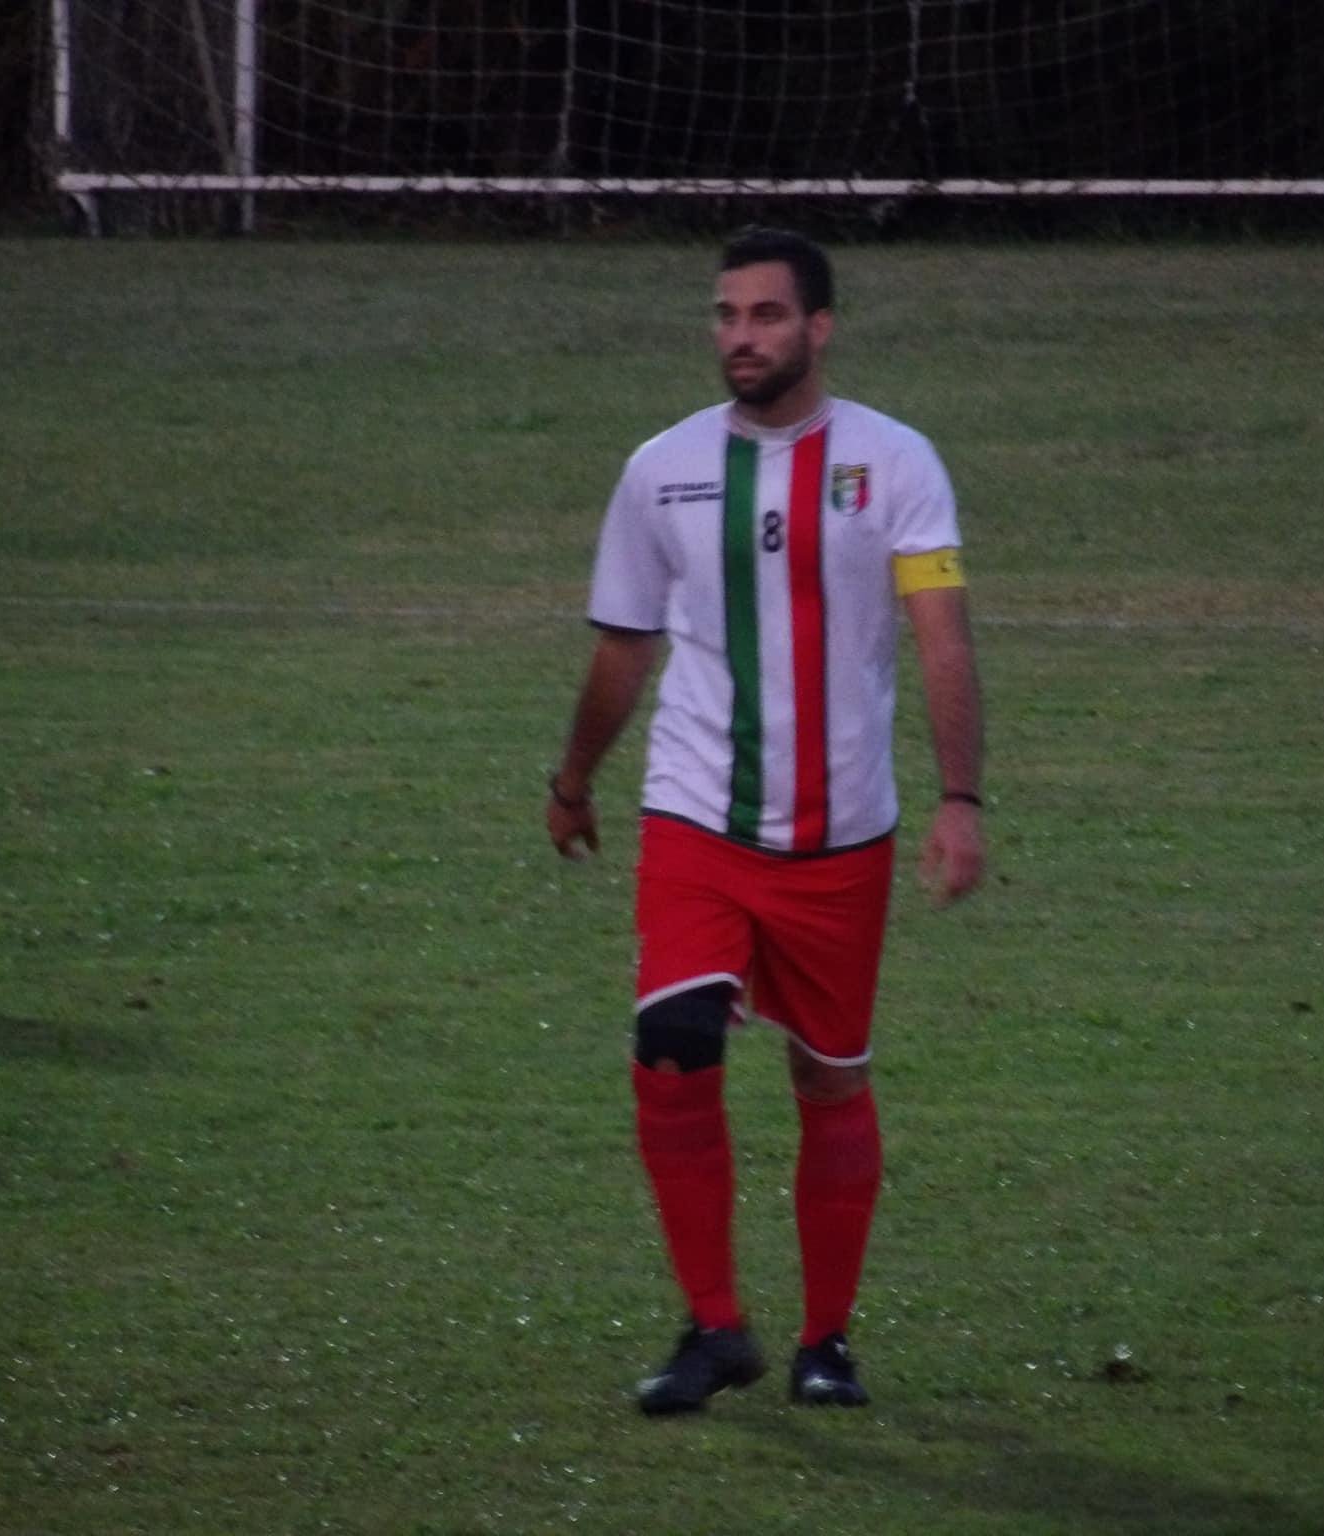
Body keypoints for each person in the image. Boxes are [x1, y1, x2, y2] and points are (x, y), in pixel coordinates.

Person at [546, 226, 985, 1415]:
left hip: (843, 839)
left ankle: (824, 1343)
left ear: (818, 328)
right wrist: (573, 781)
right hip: (696, 817)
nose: (740, 337)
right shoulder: (661, 469)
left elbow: (941, 639)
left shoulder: (894, 463)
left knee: (827, 1078)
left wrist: (958, 800)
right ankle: (713, 1327)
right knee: (672, 1042)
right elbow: (623, 647)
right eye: (725, 314)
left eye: (766, 315)